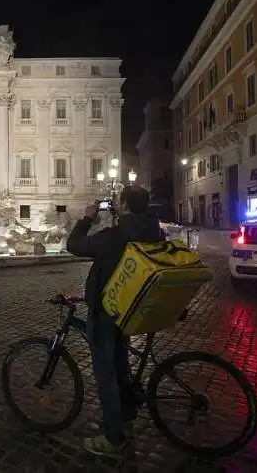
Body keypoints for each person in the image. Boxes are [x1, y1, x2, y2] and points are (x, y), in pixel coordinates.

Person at [66, 186, 165, 460]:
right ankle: (127, 413)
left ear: (122, 205)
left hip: (107, 310)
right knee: (121, 361)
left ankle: (113, 438)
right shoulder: (154, 231)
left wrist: (87, 219)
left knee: (105, 375)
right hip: (134, 308)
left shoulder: (113, 236)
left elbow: (74, 245)